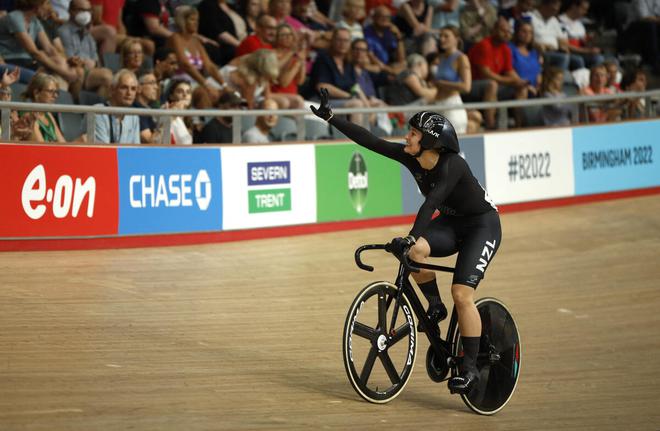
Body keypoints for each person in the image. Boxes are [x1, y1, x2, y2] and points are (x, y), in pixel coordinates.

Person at [310, 87, 501, 395]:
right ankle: (435, 306)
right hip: (453, 223)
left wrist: (411, 233)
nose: (406, 136)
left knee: (462, 294)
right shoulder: (412, 158)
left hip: (482, 226)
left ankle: (470, 371)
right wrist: (331, 118)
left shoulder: (453, 165)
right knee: (415, 251)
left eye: (413, 133)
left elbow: (431, 203)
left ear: (429, 142)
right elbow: (370, 141)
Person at [94, 68, 140, 144]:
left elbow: (135, 150)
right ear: (112, 89)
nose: (129, 93)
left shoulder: (134, 116)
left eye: (133, 89)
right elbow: (103, 151)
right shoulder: (98, 112)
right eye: (124, 87)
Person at [20, 72, 67, 142]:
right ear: (36, 93)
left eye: (56, 92)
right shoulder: (28, 116)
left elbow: (63, 144)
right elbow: (42, 148)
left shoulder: (48, 115)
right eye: (51, 91)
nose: (55, 96)